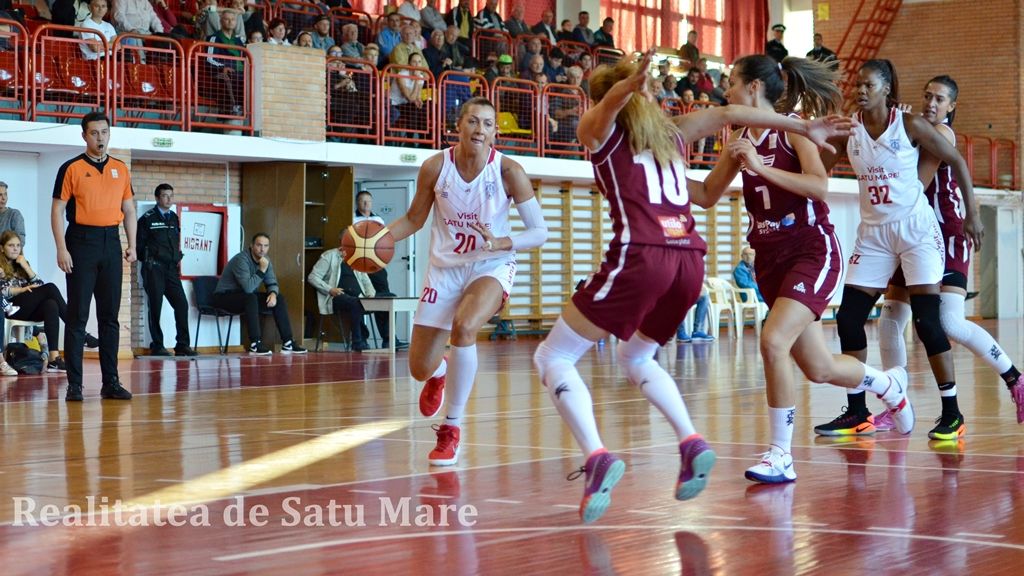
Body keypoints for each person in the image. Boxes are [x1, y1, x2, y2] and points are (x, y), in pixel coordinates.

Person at [532, 49, 853, 522]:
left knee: (552, 357)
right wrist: (802, 126)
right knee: (636, 356)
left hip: (643, 254)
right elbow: (728, 114)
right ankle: (689, 441)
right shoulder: (673, 134)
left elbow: (612, 109)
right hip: (690, 261)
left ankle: (597, 458)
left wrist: (626, 85)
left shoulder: (597, 132)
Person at [698, 54, 913, 484]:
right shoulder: (738, 138)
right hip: (770, 259)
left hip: (811, 251)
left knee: (772, 341)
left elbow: (819, 184)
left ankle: (781, 454)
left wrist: (761, 168)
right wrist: (650, 183)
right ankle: (888, 385)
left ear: (754, 88)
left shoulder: (794, 130)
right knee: (820, 368)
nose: (726, 90)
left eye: (732, 82)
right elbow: (705, 194)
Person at [814, 60, 984, 440]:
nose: (860, 90)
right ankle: (857, 411)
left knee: (928, 322)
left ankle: (952, 414)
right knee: (848, 319)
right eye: (857, 84)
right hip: (873, 235)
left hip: (916, 231)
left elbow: (955, 160)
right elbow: (816, 172)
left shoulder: (909, 125)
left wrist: (972, 214)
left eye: (868, 85)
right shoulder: (849, 131)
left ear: (887, 89)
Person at [381, 96, 548, 467]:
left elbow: (539, 232)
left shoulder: (509, 171)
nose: (480, 129)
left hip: (491, 265)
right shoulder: (434, 167)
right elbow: (413, 218)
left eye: (488, 124)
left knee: (465, 326)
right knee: (418, 368)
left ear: (495, 132)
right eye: (473, 121)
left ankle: (451, 428)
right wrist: (379, 238)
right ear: (457, 126)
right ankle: (439, 373)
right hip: (445, 269)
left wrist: (505, 241)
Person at [876, 76, 1024, 428]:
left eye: (939, 99)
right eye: (927, 96)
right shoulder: (916, 130)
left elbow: (914, 184)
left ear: (951, 107)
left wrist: (895, 139)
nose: (930, 103)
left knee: (950, 322)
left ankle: (1015, 378)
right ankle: (896, 401)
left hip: (944, 233)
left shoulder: (940, 135)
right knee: (889, 321)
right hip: (910, 233)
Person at [51, 111, 136, 402]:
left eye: (104, 132)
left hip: (111, 242)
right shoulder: (71, 168)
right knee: (77, 316)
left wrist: (132, 244)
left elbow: (130, 209)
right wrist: (61, 248)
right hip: (81, 242)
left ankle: (110, 382)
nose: (100, 138)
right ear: (84, 135)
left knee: (109, 318)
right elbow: (57, 211)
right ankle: (75, 385)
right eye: (94, 133)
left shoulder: (121, 169)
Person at [0, 230, 102, 371]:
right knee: (51, 288)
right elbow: (2, 291)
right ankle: (80, 331)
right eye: (11, 245)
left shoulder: (22, 264)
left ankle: (54, 358)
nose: (16, 248)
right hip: (10, 308)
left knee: (51, 304)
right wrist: (22, 290)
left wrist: (26, 266)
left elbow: (39, 285)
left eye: (18, 245)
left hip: (26, 308)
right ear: (2, 248)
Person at [213, 233, 307, 355]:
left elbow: (272, 282)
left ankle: (288, 342)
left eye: (266, 246)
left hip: (246, 297)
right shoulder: (241, 260)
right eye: (259, 245)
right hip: (224, 297)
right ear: (252, 246)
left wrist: (273, 293)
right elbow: (248, 288)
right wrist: (262, 270)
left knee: (279, 298)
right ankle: (255, 344)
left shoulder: (266, 261)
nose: (262, 249)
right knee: (250, 298)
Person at [137, 183, 195, 357]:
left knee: (181, 304)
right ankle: (157, 345)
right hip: (153, 268)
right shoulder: (147, 218)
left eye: (171, 195)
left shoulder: (173, 218)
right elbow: (139, 247)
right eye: (165, 195)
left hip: (170, 269)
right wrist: (152, 257)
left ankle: (182, 345)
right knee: (155, 307)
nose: (169, 199)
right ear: (157, 198)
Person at [354, 191, 407, 349]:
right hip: (360, 263)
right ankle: (361, 339)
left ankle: (389, 338)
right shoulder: (353, 219)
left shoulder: (378, 219)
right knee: (362, 299)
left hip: (376, 263)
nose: (366, 204)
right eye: (363, 201)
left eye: (368, 201)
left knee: (385, 299)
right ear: (357, 203)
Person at [308, 233, 375, 352]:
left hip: (360, 296)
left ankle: (388, 339)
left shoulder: (357, 258)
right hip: (337, 296)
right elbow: (312, 277)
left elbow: (366, 281)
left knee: (390, 299)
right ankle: (357, 342)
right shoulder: (329, 256)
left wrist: (370, 294)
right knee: (356, 303)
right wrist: (330, 289)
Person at [0, 181, 25, 246]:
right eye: (0, 195)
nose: (4, 198)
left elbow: (20, 242)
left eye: (5, 194)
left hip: (9, 256)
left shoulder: (14, 214)